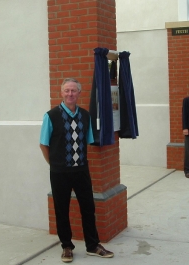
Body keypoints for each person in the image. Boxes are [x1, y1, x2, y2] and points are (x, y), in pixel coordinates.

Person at [39, 78, 114, 263]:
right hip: (59, 172)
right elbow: (43, 144)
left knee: (88, 207)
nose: (70, 94)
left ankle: (92, 245)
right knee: (61, 209)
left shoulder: (85, 116)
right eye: (67, 91)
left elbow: (87, 141)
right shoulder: (51, 116)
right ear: (62, 93)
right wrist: (54, 164)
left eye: (73, 91)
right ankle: (66, 246)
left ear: (79, 93)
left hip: (81, 170)